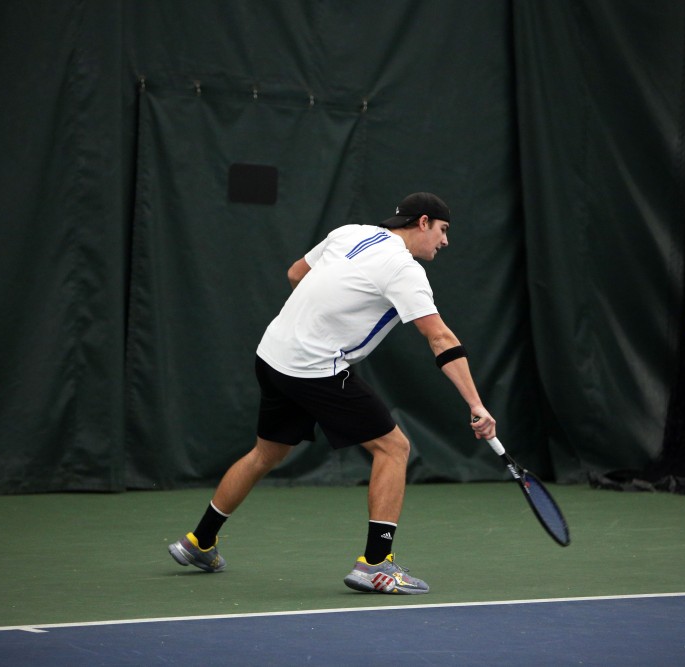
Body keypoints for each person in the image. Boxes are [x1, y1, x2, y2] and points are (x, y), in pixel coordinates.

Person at [168, 192, 497, 594]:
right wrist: (476, 404)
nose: (445, 242)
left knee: (265, 453)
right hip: (313, 367)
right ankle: (376, 564)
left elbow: (294, 274)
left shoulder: (349, 233)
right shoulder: (404, 270)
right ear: (423, 222)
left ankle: (200, 541)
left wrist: (322, 315)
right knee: (393, 448)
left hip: (272, 354)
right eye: (443, 231)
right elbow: (440, 338)